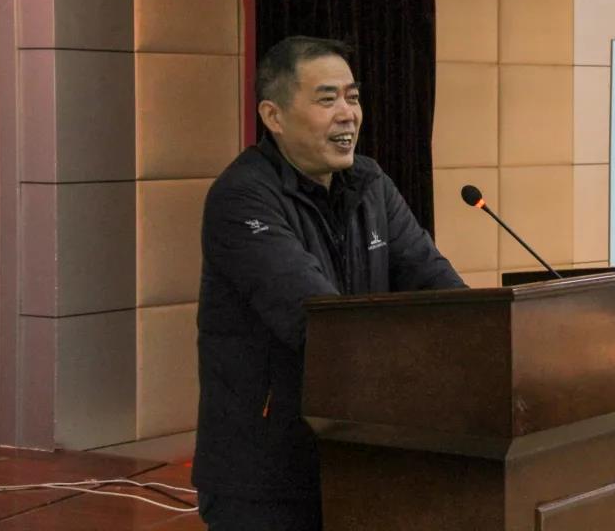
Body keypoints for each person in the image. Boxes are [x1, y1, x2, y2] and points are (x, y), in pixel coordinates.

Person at [192, 36, 464, 531]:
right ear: (274, 116)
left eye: (353, 97)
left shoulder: (370, 184)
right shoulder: (243, 198)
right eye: (327, 99)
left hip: (357, 458)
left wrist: (483, 338)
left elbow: (437, 285)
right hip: (263, 475)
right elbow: (317, 322)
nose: (347, 114)